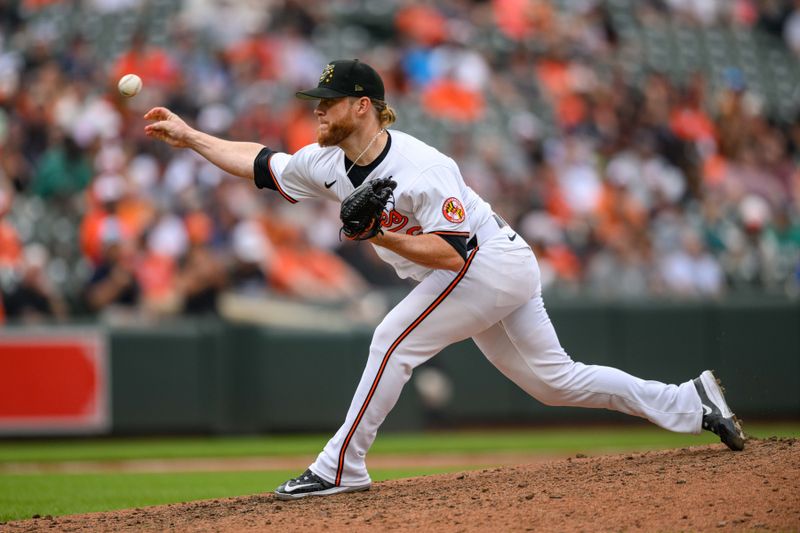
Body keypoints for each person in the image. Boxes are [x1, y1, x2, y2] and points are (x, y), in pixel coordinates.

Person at [143, 59, 746, 500]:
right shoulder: (324, 162)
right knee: (554, 382)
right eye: (314, 100)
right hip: (487, 266)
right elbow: (259, 161)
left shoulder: (424, 167)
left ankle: (340, 467)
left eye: (327, 100)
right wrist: (190, 136)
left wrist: (375, 235)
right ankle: (691, 400)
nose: (316, 109)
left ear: (363, 106)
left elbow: (453, 256)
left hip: (487, 261)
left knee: (392, 340)